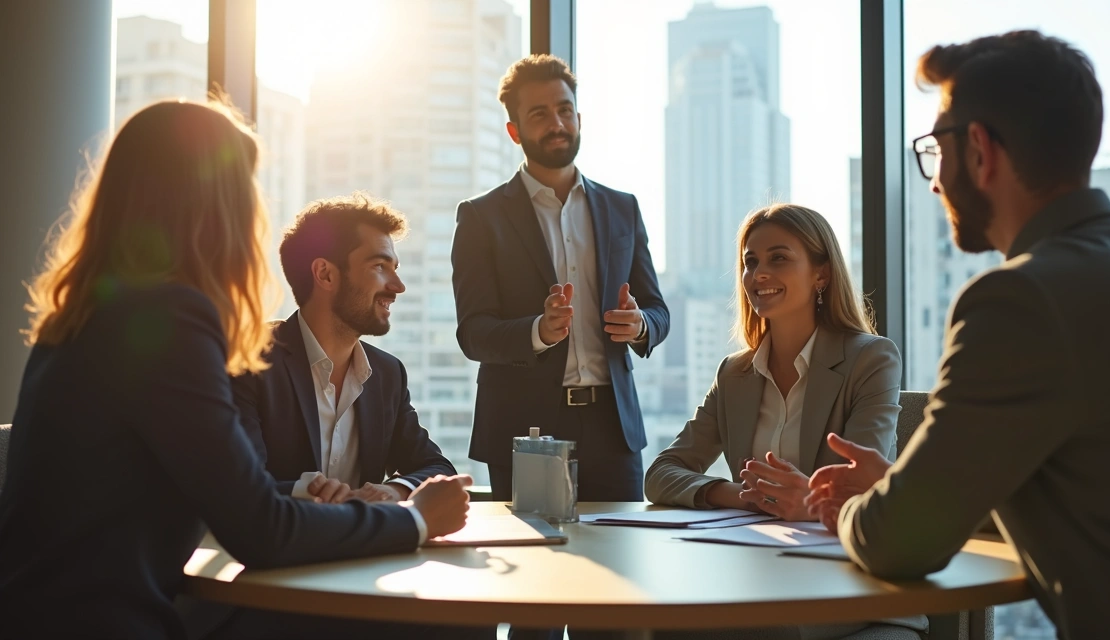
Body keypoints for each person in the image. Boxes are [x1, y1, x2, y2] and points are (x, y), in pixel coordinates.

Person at [0, 99, 485, 640]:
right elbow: (261, 527)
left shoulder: (84, 315)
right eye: (247, 189)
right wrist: (415, 519)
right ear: (214, 204)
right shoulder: (171, 321)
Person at [807, 30, 1110, 639]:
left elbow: (895, 545)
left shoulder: (1021, 300)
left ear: (979, 150)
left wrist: (850, 511)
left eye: (935, 148)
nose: (935, 180)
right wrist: (900, 488)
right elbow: (1107, 494)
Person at [646, 204, 924, 640]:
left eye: (778, 258)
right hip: (757, 579)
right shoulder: (734, 374)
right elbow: (661, 473)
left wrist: (809, 498)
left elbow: (865, 481)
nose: (758, 274)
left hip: (851, 585)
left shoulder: (870, 359)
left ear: (821, 274)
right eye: (750, 262)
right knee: (657, 626)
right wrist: (737, 495)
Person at [451, 54, 669, 503]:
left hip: (614, 429)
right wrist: (538, 331)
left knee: (621, 563)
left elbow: (658, 309)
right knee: (536, 565)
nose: (557, 123)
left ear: (579, 117)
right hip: (525, 431)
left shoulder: (622, 208)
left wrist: (640, 324)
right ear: (514, 131)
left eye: (564, 110)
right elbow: (474, 333)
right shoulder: (480, 217)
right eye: (539, 114)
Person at [231, 193, 456, 510]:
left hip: (364, 553)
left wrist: (395, 490)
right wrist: (309, 492)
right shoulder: (248, 359)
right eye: (379, 266)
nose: (398, 286)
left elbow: (437, 468)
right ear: (325, 274)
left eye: (395, 268)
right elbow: (238, 483)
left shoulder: (386, 373)